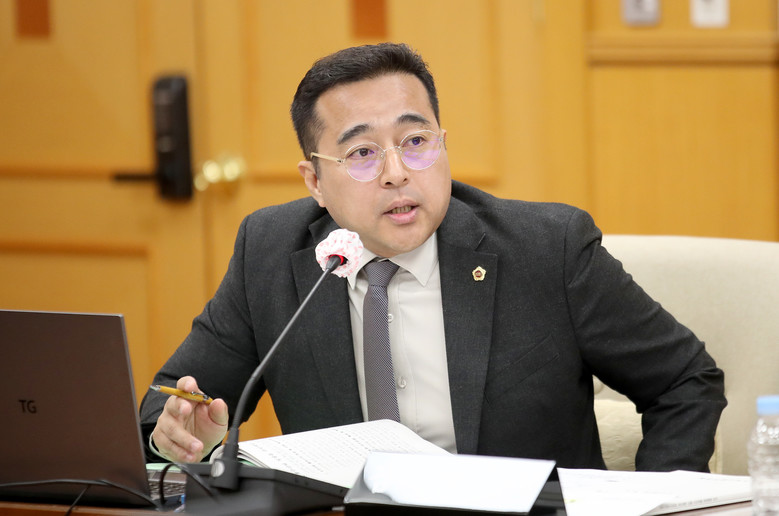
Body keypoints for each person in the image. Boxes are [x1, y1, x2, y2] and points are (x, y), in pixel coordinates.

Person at [140, 42, 726, 471]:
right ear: (315, 181)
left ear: (444, 144)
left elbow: (684, 380)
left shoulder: (549, 249)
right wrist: (177, 438)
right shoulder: (271, 252)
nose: (397, 173)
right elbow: (171, 404)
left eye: (416, 142)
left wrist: (650, 502)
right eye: (362, 153)